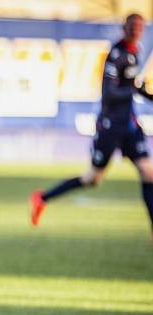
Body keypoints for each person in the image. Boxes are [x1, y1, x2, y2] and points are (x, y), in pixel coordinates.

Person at [30, 13, 153, 235]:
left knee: (148, 172)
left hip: (129, 125)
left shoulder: (136, 52)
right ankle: (42, 198)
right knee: (92, 178)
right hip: (110, 126)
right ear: (124, 28)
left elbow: (132, 85)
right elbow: (110, 93)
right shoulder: (116, 54)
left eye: (139, 27)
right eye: (132, 26)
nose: (136, 30)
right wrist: (134, 89)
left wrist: (144, 92)